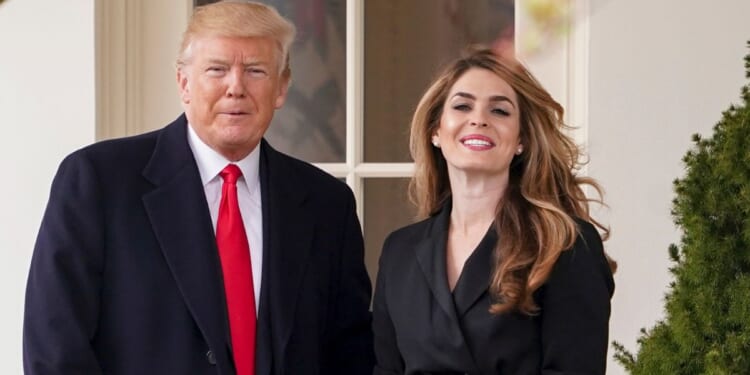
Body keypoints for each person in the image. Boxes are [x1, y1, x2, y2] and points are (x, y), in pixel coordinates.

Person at [23, 1, 374, 374]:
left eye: (255, 71)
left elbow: (349, 352)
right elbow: (55, 347)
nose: (235, 87)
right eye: (217, 70)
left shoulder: (327, 205)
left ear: (282, 87)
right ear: (184, 83)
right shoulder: (98, 182)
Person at [372, 46, 617, 374]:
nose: (478, 119)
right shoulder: (399, 251)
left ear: (522, 140)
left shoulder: (564, 242)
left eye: (500, 111)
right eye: (462, 106)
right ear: (435, 131)